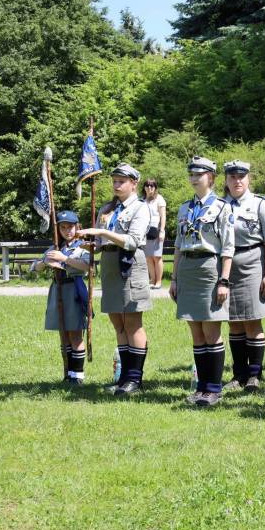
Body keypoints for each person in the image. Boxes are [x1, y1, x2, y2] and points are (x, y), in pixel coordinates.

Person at [77, 163, 152, 396]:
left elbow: (132, 241)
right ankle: (123, 378)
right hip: (109, 266)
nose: (117, 185)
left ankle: (135, 380)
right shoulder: (107, 209)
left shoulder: (140, 208)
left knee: (132, 323)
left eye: (122, 181)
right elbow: (101, 244)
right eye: (115, 181)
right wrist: (91, 244)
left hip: (129, 265)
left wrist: (101, 232)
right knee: (118, 324)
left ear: (134, 183)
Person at [170, 157, 235, 408]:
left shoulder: (221, 207)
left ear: (211, 178)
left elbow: (228, 247)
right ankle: (201, 387)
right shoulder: (185, 208)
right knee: (196, 333)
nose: (194, 178)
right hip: (187, 268)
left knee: (211, 331)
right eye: (192, 174)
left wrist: (224, 280)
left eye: (200, 174)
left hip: (209, 268)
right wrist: (174, 278)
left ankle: (213, 389)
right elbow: (178, 245)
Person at [222, 160, 265, 393]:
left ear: (248, 179)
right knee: (233, 321)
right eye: (232, 177)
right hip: (226, 267)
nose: (237, 181)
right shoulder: (220, 205)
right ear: (226, 180)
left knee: (252, 320)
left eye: (241, 177)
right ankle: (239, 374)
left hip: (252, 263)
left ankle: (255, 374)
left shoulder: (260, 204)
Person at [32, 210, 91, 385]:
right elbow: (34, 267)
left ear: (77, 227)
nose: (67, 231)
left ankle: (77, 376)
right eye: (63, 227)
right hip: (57, 290)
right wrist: (45, 262)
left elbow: (87, 266)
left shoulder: (82, 246)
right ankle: (68, 373)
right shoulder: (56, 247)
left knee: (75, 333)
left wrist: (64, 259)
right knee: (63, 333)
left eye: (70, 227)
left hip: (74, 289)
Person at [142, 179, 166, 289]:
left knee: (157, 257)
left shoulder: (159, 199)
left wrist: (162, 231)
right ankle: (152, 279)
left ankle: (159, 281)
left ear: (155, 188)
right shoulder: (142, 200)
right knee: (148, 257)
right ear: (144, 187)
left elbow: (163, 216)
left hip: (156, 230)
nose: (149, 188)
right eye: (147, 185)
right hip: (144, 231)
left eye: (152, 186)